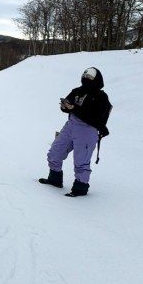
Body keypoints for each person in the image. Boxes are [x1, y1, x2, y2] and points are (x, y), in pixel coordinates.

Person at [39, 67, 112, 197]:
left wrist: (74, 108)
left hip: (87, 130)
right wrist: (64, 107)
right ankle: (54, 179)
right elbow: (69, 106)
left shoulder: (101, 97)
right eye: (85, 77)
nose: (86, 79)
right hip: (70, 126)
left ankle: (80, 188)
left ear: (96, 79)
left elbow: (96, 118)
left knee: (81, 162)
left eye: (89, 78)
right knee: (55, 152)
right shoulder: (77, 91)